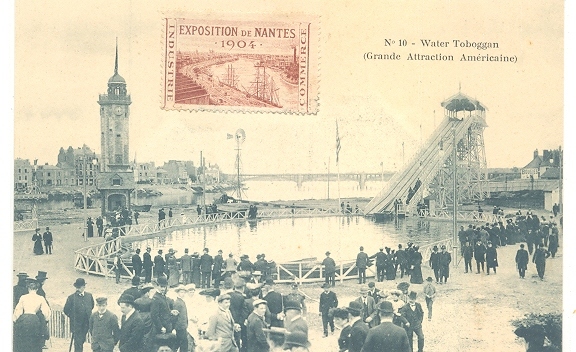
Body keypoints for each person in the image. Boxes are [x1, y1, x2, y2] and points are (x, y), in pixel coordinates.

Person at [13, 279, 51, 352]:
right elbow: (46, 311)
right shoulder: (40, 298)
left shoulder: (23, 297)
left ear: (28, 288)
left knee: (23, 341)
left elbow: (18, 310)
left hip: (24, 320)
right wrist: (45, 320)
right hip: (35, 320)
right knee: (35, 342)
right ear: (37, 289)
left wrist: (15, 319)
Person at [64, 278, 95, 352]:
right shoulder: (71, 298)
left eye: (79, 287)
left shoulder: (89, 296)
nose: (77, 289)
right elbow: (66, 310)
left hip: (87, 323)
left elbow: (92, 306)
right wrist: (73, 316)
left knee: (82, 340)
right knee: (78, 343)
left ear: (84, 287)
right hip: (76, 324)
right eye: (76, 287)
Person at [172, 285, 189, 352]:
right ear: (178, 293)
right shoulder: (177, 302)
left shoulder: (182, 301)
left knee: (179, 342)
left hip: (183, 326)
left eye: (184, 292)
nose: (183, 294)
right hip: (180, 326)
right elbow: (175, 315)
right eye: (181, 292)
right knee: (184, 343)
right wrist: (176, 325)